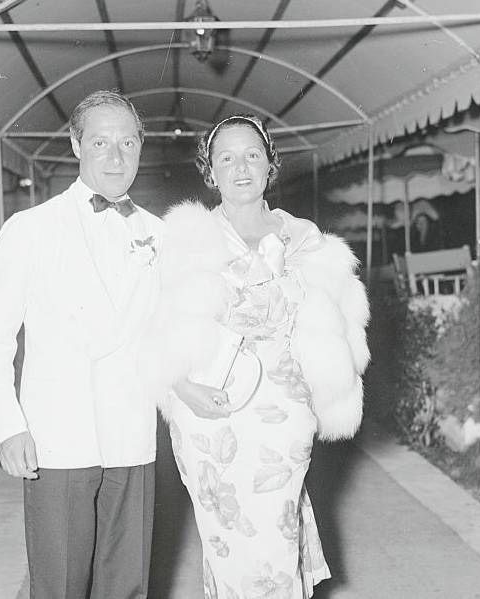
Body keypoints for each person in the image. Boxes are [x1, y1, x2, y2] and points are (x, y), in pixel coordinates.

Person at [139, 114, 370, 598]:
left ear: (270, 164)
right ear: (211, 171)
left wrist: (324, 388)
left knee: (273, 538)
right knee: (225, 542)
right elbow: (156, 329)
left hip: (283, 415)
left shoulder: (305, 239)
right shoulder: (186, 236)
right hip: (207, 416)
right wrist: (181, 387)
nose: (240, 167)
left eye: (252, 155)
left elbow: (344, 328)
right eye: (226, 157)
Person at [0, 90, 163, 599]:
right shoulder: (30, 229)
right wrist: (8, 426)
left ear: (141, 147)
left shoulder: (161, 234)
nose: (115, 157)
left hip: (132, 436)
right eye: (100, 142)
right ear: (76, 145)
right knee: (58, 586)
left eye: (127, 143)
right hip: (57, 440)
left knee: (127, 586)